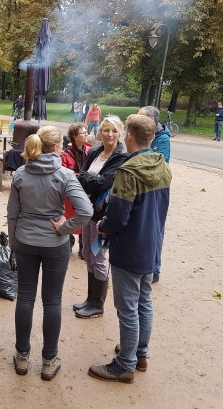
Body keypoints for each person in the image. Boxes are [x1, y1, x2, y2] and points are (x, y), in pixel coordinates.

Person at [88, 114, 171, 384]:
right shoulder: (163, 166)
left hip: (128, 247)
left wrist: (102, 227)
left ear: (129, 136)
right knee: (144, 301)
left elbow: (118, 217)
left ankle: (124, 364)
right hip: (152, 245)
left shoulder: (128, 172)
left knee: (127, 308)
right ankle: (140, 352)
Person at [8, 125, 93, 381]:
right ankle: (48, 360)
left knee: (25, 298)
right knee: (52, 301)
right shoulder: (65, 175)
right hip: (54, 243)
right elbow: (86, 211)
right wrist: (65, 228)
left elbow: (13, 213)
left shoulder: (21, 174)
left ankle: (22, 356)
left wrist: (13, 242)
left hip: (24, 239)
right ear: (56, 147)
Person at [75, 116, 128, 319]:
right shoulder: (96, 150)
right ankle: (90, 299)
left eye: (114, 131)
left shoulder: (120, 156)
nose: (110, 134)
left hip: (103, 214)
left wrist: (88, 179)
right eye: (106, 130)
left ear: (120, 132)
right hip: (88, 210)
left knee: (98, 258)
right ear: (100, 132)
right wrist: (89, 179)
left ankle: (98, 304)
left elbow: (103, 183)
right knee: (88, 254)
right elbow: (82, 174)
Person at [138, 105, 170, 283]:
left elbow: (158, 165)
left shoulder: (162, 139)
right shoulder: (138, 134)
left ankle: (154, 268)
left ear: (151, 120)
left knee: (155, 228)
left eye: (140, 117)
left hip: (157, 190)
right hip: (141, 187)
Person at [61, 122, 90, 259]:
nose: (86, 135)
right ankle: (69, 242)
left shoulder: (90, 151)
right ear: (74, 136)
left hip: (88, 190)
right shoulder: (66, 155)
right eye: (83, 133)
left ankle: (83, 246)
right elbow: (65, 174)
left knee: (86, 217)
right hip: (71, 192)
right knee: (71, 217)